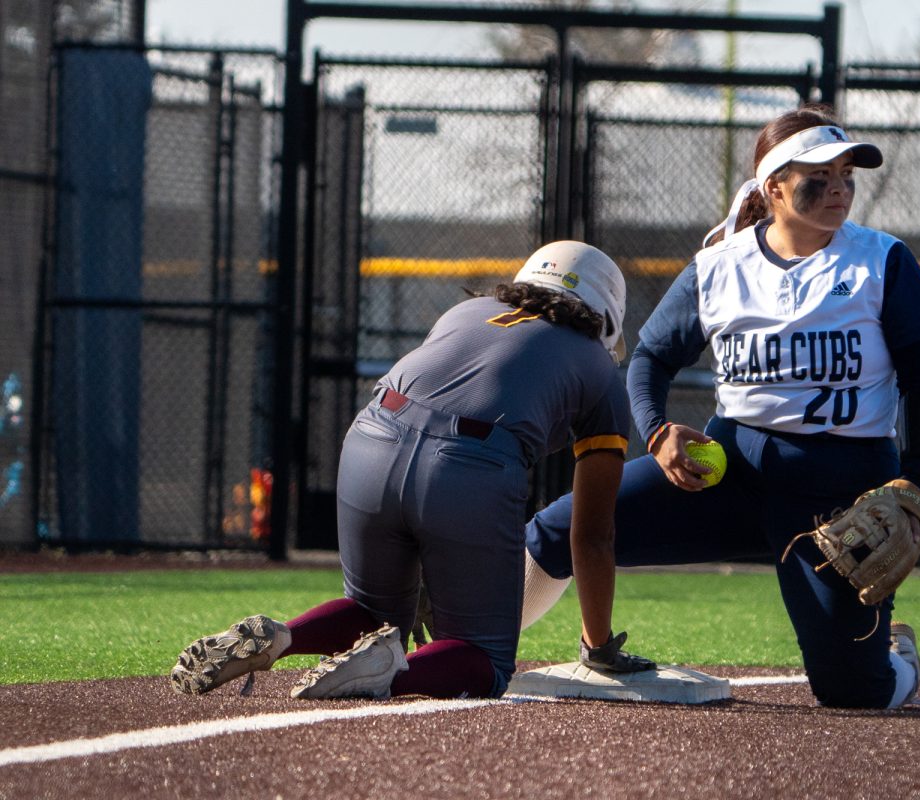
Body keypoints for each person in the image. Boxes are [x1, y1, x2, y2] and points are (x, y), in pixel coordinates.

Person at [520, 105, 920, 709]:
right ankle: (480, 651)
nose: (839, 188)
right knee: (557, 530)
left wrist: (915, 482)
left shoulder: (882, 262)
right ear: (773, 186)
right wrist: (658, 433)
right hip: (727, 471)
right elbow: (648, 360)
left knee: (854, 692)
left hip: (835, 493)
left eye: (847, 175)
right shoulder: (721, 264)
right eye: (819, 176)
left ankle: (899, 662)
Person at [171, 241, 655, 701]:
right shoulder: (598, 367)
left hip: (371, 437)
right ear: (606, 312)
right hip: (470, 465)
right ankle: (390, 672)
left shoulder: (465, 312)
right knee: (484, 658)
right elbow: (591, 535)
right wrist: (598, 645)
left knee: (372, 611)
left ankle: (282, 636)